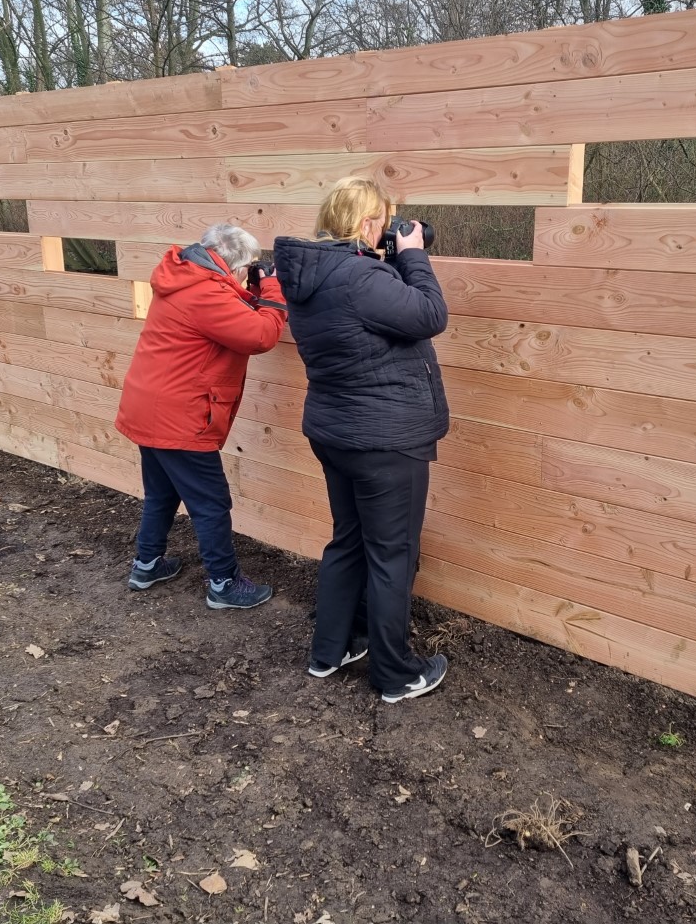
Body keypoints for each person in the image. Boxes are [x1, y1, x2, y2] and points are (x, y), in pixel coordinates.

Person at [273, 177, 450, 704]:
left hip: (336, 431)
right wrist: (413, 254)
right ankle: (396, 674)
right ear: (368, 221)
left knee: (348, 540)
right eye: (384, 219)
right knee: (393, 553)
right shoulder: (358, 278)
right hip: (385, 439)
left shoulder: (316, 273)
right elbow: (429, 315)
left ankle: (332, 649)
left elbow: (371, 313)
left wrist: (389, 256)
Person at [115, 223, 287, 609]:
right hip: (180, 414)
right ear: (235, 266)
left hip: (151, 406)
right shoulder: (206, 292)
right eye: (249, 268)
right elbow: (260, 336)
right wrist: (274, 289)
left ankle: (147, 563)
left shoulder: (189, 277)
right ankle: (224, 584)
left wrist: (252, 286)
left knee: (161, 492)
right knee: (211, 503)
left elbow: (232, 306)